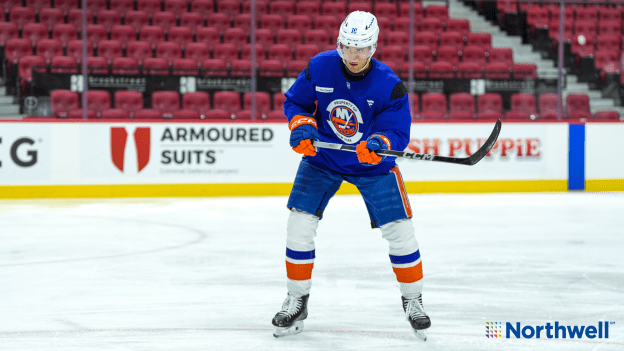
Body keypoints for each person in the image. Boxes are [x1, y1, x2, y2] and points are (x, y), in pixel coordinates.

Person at [272, 11, 431, 340]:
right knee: (299, 225)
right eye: (347, 47)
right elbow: (296, 103)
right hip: (323, 158)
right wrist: (302, 127)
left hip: (373, 166)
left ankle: (413, 300)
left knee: (400, 231)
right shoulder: (320, 66)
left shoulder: (390, 85)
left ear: (373, 48)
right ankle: (297, 299)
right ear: (338, 44)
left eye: (361, 49)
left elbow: (397, 133)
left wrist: (379, 143)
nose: (353, 56)